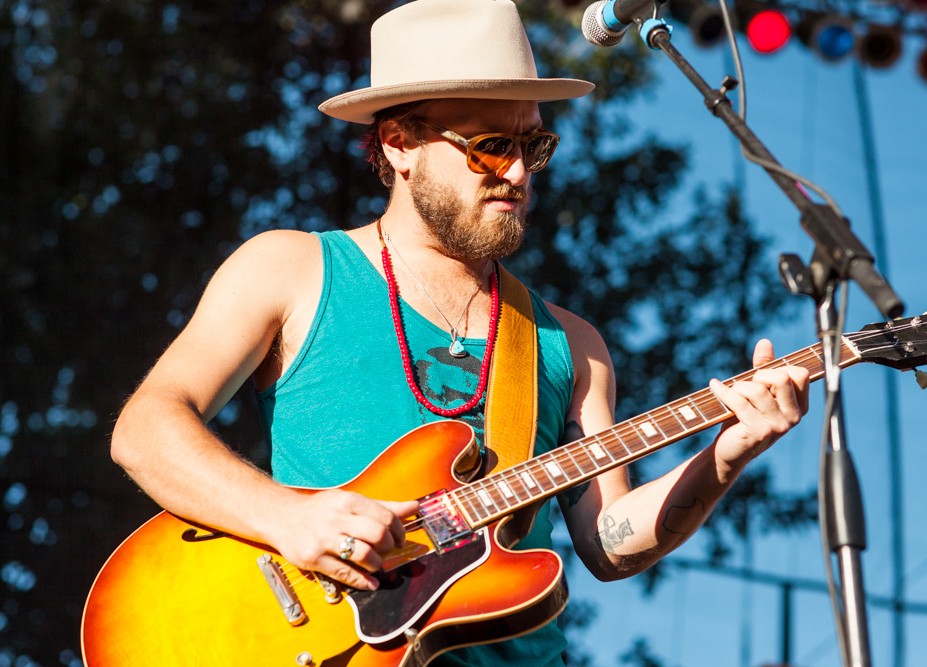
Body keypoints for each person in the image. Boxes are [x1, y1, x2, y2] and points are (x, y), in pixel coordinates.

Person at [109, 0, 810, 665]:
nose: (517, 173)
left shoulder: (571, 343)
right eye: (490, 146)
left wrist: (727, 455)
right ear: (399, 142)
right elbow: (145, 429)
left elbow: (609, 540)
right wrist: (289, 517)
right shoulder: (290, 268)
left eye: (533, 146)